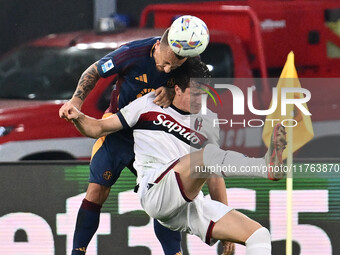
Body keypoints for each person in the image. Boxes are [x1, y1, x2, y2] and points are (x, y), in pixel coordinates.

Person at [65, 58, 287, 255]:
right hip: (155, 189)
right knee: (205, 157)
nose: (201, 99)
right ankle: (267, 168)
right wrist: (77, 116)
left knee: (259, 235)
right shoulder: (149, 103)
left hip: (187, 205)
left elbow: (214, 176)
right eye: (196, 93)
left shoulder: (208, 120)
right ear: (177, 89)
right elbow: (99, 128)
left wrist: (224, 221)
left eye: (205, 93)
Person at [59, 26, 232, 254]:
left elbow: (189, 88)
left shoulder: (189, 59)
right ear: (158, 45)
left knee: (168, 199)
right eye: (166, 62)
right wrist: (76, 102)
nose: (168, 69)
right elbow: (94, 71)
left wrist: (172, 92)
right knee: (97, 191)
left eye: (174, 67)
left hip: (154, 134)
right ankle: (77, 252)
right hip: (119, 130)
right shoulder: (130, 54)